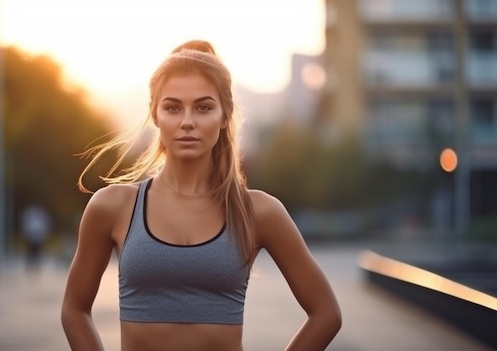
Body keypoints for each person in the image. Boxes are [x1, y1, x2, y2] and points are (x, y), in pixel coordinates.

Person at [61, 40, 341, 351]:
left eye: (204, 107)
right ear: (155, 114)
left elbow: (326, 314)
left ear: (225, 116)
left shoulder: (258, 211)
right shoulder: (113, 206)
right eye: (172, 107)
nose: (187, 121)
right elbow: (74, 310)